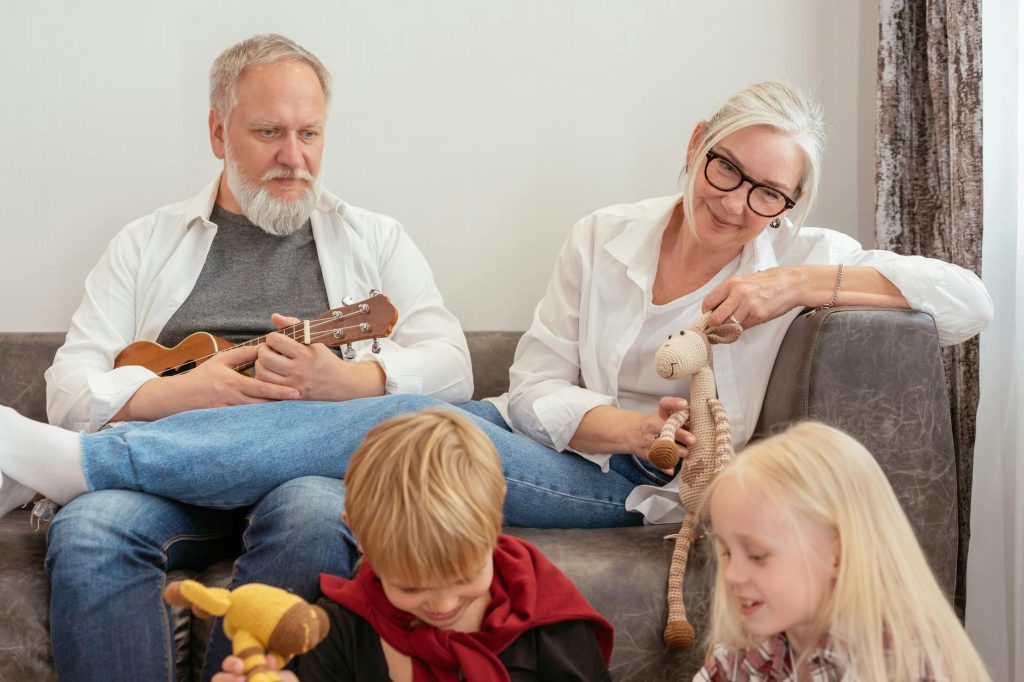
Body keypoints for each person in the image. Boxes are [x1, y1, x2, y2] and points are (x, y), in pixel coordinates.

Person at [0, 80, 993, 670]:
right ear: (697, 147)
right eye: (728, 170)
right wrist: (614, 423)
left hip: (653, 491)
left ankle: (74, 463)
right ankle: (88, 465)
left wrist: (798, 285)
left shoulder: (790, 254)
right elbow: (528, 381)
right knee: (436, 430)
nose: (739, 203)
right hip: (581, 449)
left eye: (770, 192)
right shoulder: (603, 234)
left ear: (791, 202)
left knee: (421, 425)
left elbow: (967, 302)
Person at [1, 33, 472, 682]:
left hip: (303, 477)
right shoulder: (145, 244)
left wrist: (352, 378)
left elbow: (454, 367)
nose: (294, 157)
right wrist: (179, 393)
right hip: (164, 480)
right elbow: (68, 389)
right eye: (269, 132)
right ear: (218, 133)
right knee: (89, 530)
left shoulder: (376, 240)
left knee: (317, 517)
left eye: (310, 134)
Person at [213, 409, 613, 681]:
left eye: (464, 576)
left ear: (496, 513)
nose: (442, 606)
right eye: (410, 587)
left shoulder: (553, 623)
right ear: (360, 538)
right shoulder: (342, 628)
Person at [692, 421, 991, 681]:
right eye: (727, 553)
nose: (731, 575)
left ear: (839, 553)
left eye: (757, 555)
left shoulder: (905, 665)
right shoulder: (744, 657)